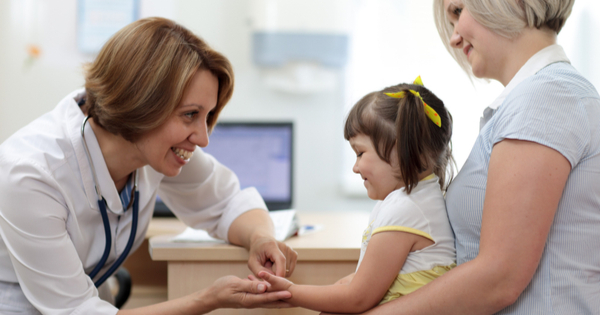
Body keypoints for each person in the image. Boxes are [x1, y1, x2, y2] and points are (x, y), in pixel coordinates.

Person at [0, 17, 297, 315]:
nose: (204, 138)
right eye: (190, 114)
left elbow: (229, 202)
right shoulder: (30, 175)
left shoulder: (152, 148)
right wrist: (207, 299)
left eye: (206, 117)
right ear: (139, 102)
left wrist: (260, 238)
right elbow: (75, 311)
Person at [321, 0, 600, 314]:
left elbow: (499, 278)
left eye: (457, 12)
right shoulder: (535, 99)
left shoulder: (544, 99)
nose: (454, 38)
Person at [254, 77, 456, 313]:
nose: (355, 167)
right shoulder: (416, 200)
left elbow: (357, 298)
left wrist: (291, 292)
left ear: (401, 150)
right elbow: (363, 280)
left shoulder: (407, 209)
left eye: (360, 153)